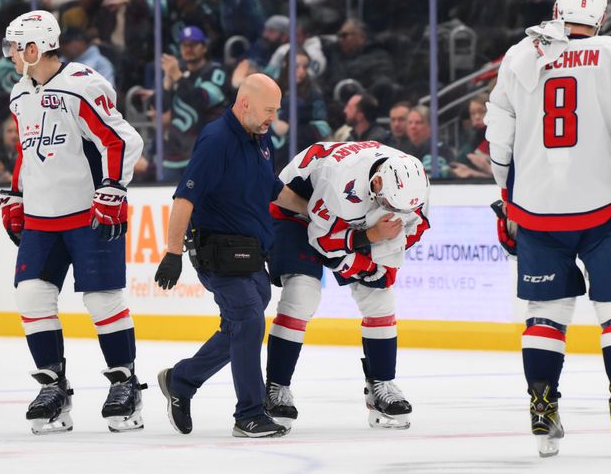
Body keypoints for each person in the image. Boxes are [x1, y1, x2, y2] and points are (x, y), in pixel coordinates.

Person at [484, 0, 611, 458]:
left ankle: (542, 407)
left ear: (555, 8)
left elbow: (498, 139)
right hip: (604, 209)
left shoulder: (520, 55)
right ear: (603, 17)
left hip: (536, 210)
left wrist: (506, 198)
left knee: (546, 316)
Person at [0, 10, 145, 435]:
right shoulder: (18, 93)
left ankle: (125, 383)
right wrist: (17, 194)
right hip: (42, 220)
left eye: (14, 46)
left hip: (87, 215)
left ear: (33, 48)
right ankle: (53, 387)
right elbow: (27, 152)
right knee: (31, 299)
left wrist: (114, 187)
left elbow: (120, 140)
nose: (9, 54)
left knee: (102, 301)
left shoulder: (82, 85)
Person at [153, 73, 308, 438]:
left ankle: (182, 379)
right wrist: (172, 252)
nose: (273, 117)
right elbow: (184, 197)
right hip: (219, 252)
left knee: (241, 323)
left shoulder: (259, 137)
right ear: (244, 104)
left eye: (276, 110)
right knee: (250, 321)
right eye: (269, 110)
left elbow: (270, 186)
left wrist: (309, 209)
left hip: (252, 252)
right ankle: (249, 414)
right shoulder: (216, 140)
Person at [265, 142, 430, 430]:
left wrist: (380, 263)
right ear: (377, 183)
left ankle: (382, 383)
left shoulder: (411, 185)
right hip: (296, 213)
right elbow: (324, 244)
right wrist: (365, 246)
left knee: (380, 296)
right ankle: (276, 386)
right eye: (390, 205)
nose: (394, 211)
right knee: (302, 294)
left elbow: (413, 229)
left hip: (345, 219)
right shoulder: (340, 181)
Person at [160, 25, 230, 180]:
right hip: (172, 155)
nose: (188, 49)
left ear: (204, 47)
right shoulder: (178, 72)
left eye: (193, 44)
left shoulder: (215, 72)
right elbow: (161, 109)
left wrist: (177, 77)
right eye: (184, 45)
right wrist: (167, 82)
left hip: (203, 152)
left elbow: (201, 100)